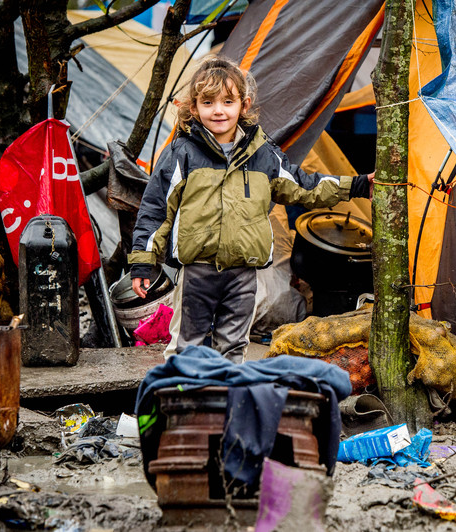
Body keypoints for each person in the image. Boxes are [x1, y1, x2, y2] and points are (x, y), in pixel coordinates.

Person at [129, 55, 373, 362]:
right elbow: (155, 209)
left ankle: (226, 406)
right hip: (197, 272)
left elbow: (304, 185)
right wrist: (142, 263)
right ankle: (182, 406)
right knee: (186, 347)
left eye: (228, 102)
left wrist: (358, 185)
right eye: (208, 103)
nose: (218, 111)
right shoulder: (182, 152)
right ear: (194, 108)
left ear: (243, 105)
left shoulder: (262, 154)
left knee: (233, 348)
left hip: (243, 275)